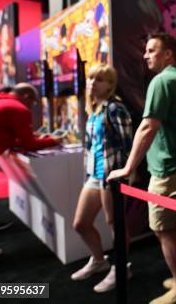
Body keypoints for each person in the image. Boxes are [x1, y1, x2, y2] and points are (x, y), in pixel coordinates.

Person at [108, 33, 176, 304]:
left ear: (168, 54)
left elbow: (148, 126)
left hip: (168, 168)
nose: (146, 55)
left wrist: (128, 167)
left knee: (163, 228)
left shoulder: (161, 81)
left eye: (151, 50)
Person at [0, 83, 61, 263]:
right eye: (33, 103)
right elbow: (29, 144)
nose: (31, 107)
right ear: (27, 97)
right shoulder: (18, 108)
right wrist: (55, 140)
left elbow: (13, 136)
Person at [70, 64, 133, 293]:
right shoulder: (94, 109)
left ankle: (121, 267)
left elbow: (129, 145)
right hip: (94, 175)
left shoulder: (115, 108)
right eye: (91, 78)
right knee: (80, 223)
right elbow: (91, 147)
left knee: (114, 222)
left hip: (112, 174)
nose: (93, 83)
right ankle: (99, 260)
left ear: (110, 85)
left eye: (99, 79)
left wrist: (125, 174)